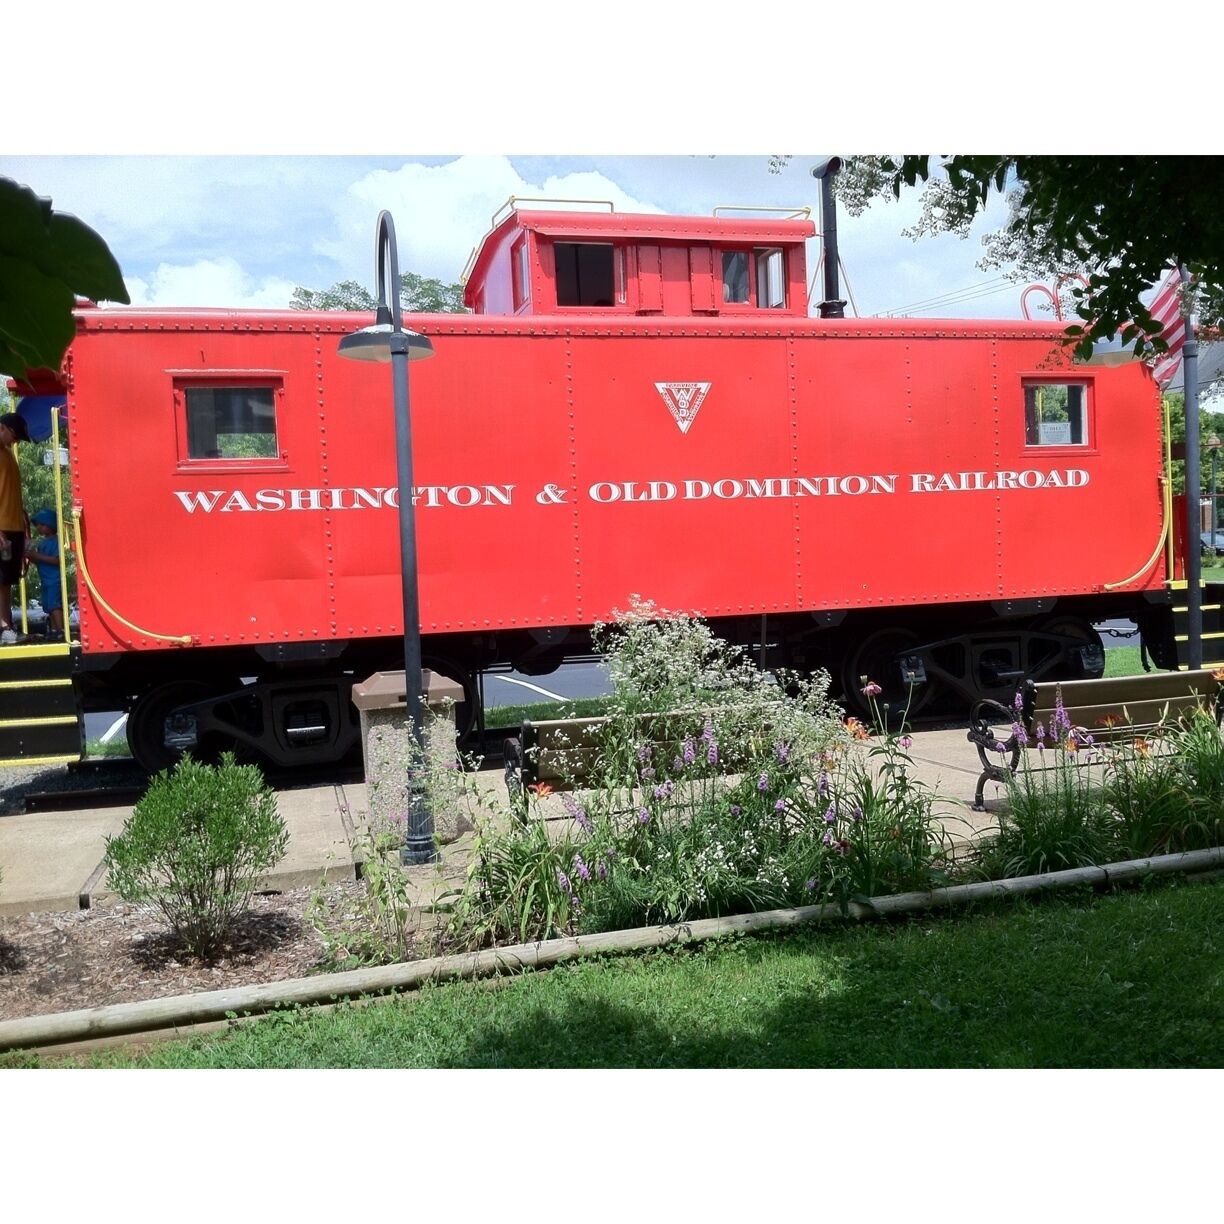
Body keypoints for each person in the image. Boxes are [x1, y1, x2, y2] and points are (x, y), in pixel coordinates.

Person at [0, 412, 31, 645]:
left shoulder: (7, 455)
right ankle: (3, 628)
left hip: (13, 526)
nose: (15, 441)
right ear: (3, 428)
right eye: (14, 435)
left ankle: (7, 625)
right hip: (2, 527)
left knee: (7, 579)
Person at [27, 508, 64, 637]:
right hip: (46, 579)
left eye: (42, 525)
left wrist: (38, 556)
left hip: (54, 579)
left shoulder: (56, 542)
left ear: (50, 525)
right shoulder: (43, 543)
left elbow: (57, 560)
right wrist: (31, 556)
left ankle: (61, 630)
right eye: (38, 525)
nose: (39, 528)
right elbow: (39, 561)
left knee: (54, 605)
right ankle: (54, 630)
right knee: (48, 605)